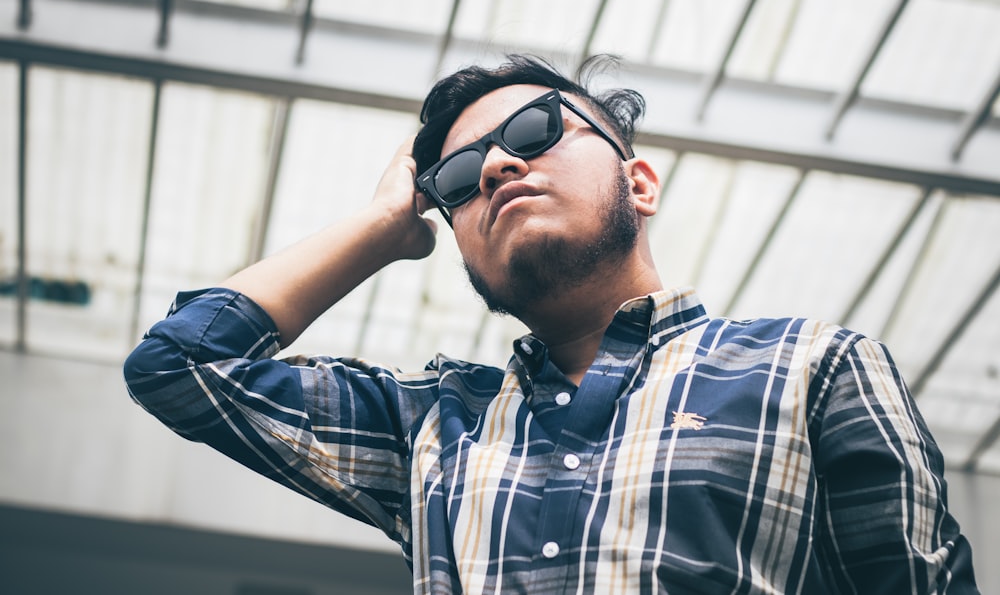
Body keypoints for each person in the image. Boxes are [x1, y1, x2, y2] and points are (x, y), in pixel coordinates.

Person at [124, 55, 979, 593]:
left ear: (639, 184)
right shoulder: (433, 426)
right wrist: (383, 228)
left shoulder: (811, 367)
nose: (495, 165)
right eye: (456, 178)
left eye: (533, 131)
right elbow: (182, 365)